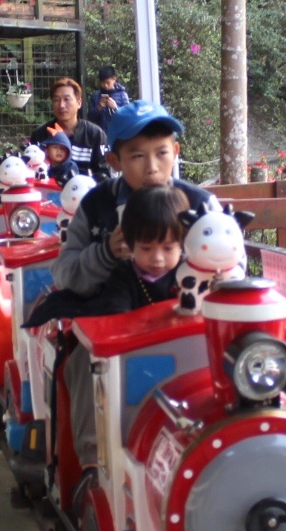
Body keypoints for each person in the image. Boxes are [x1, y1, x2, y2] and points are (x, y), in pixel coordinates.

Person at [50, 100, 215, 468]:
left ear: (176, 151)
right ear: (115, 161)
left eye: (161, 153)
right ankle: (97, 469)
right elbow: (64, 274)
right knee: (83, 362)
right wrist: (106, 251)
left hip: (188, 324)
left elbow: (230, 266)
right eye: (137, 156)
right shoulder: (97, 205)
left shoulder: (201, 205)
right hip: (112, 325)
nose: (152, 167)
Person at [24, 184, 187, 326]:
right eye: (146, 248)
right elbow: (115, 313)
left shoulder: (189, 272)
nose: (157, 258)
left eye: (168, 248)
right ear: (130, 243)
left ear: (182, 244)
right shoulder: (123, 276)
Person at [29, 76, 108, 179]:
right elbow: (29, 169)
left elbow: (104, 174)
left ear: (79, 103)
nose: (61, 105)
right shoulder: (40, 134)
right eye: (56, 100)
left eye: (67, 99)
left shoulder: (95, 134)